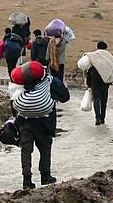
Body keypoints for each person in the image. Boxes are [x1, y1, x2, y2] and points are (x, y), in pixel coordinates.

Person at [9, 61, 69, 189]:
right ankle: (45, 176)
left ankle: (27, 180)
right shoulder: (50, 81)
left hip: (24, 121)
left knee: (26, 150)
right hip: (44, 121)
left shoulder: (20, 83)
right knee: (45, 148)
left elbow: (13, 102)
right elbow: (65, 97)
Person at [79, 41, 113, 125]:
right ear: (106, 48)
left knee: (96, 98)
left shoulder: (93, 55)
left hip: (95, 78)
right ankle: (103, 118)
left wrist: (88, 83)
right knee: (104, 99)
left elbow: (88, 70)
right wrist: (112, 77)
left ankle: (97, 118)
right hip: (105, 79)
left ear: (97, 47)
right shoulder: (109, 56)